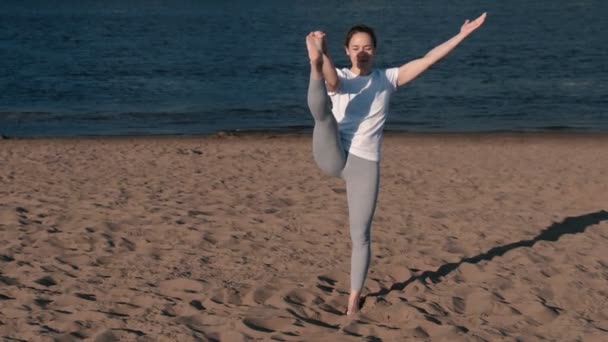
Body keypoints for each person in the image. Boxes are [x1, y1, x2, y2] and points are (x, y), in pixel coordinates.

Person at [305, 12, 487, 316]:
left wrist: (462, 34)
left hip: (364, 163)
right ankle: (313, 62)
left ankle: (353, 301)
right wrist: (322, 58)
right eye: (355, 47)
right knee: (323, 116)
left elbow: (428, 59)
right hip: (333, 151)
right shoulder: (342, 77)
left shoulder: (387, 80)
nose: (361, 53)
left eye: (367, 47)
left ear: (374, 50)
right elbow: (333, 81)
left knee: (360, 234)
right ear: (347, 51)